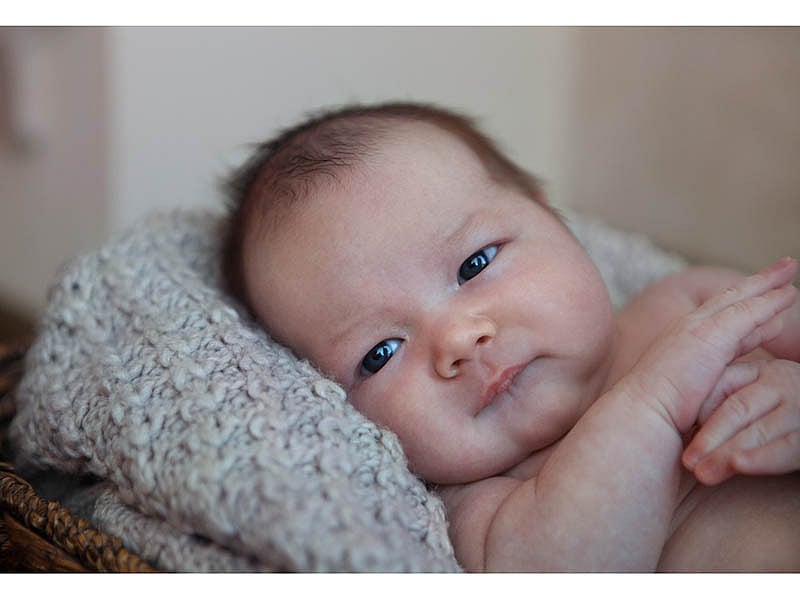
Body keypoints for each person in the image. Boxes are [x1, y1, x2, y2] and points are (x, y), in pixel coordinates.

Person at [222, 102, 800, 571]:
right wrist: (653, 402)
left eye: (474, 264)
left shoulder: (691, 305)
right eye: (381, 353)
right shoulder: (484, 509)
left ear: (558, 224)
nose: (458, 339)